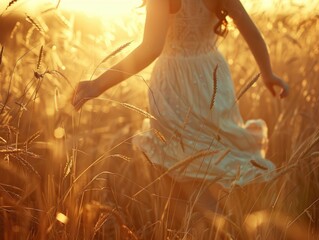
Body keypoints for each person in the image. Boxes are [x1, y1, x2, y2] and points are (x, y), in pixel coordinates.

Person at [72, 0, 289, 219]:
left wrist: (99, 84)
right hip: (213, 78)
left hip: (173, 87)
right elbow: (251, 32)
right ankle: (223, 223)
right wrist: (267, 72)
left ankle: (220, 225)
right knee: (213, 155)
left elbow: (151, 48)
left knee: (175, 165)